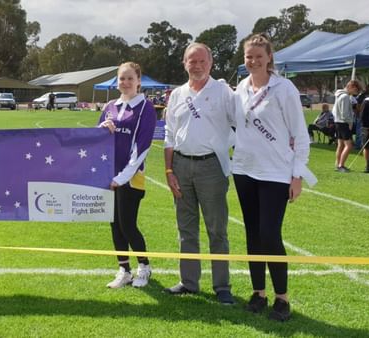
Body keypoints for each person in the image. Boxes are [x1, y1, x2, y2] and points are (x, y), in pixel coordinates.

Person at [233, 34, 316, 321]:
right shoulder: (241, 87)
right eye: (248, 56)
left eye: (258, 56)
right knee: (252, 233)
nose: (253, 61)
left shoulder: (284, 88)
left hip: (275, 173)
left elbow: (300, 135)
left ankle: (282, 298)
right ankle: (258, 293)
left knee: (270, 233)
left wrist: (297, 176)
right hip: (244, 170)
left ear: (269, 57)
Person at [163, 42, 236, 304]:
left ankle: (222, 286)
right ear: (184, 63)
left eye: (202, 61)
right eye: (191, 61)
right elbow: (169, 134)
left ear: (211, 63)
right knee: (186, 229)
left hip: (211, 167)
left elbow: (240, 124)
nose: (197, 66)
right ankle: (189, 282)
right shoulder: (177, 94)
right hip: (181, 166)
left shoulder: (224, 92)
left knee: (217, 229)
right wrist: (169, 169)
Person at [98, 62, 156, 288]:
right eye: (122, 78)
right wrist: (102, 126)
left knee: (128, 224)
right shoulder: (110, 105)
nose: (126, 82)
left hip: (131, 177)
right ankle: (124, 270)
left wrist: (122, 177)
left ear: (139, 81)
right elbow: (96, 138)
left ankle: (144, 266)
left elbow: (142, 147)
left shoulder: (145, 107)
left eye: (130, 78)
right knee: (114, 224)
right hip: (108, 174)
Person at [332, 80, 362, 172]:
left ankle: (337, 164)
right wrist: (349, 123)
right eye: (356, 90)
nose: (356, 93)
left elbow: (334, 111)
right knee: (349, 145)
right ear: (351, 87)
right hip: (343, 123)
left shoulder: (340, 95)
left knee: (340, 144)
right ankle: (341, 165)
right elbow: (344, 113)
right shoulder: (345, 96)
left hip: (338, 122)